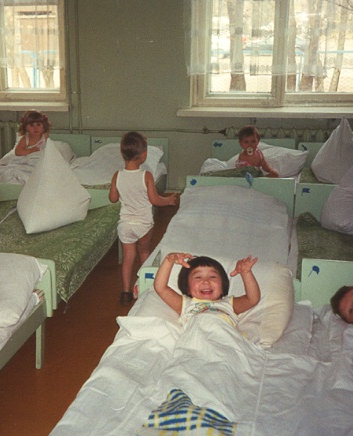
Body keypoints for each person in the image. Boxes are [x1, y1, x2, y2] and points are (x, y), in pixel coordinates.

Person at [109, 131, 178, 306]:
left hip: (125, 225)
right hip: (143, 224)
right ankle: (143, 289)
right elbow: (155, 200)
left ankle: (125, 292)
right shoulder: (146, 176)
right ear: (144, 155)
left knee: (127, 258)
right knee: (144, 252)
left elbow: (113, 198)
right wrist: (169, 200)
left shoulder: (117, 175)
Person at [153, 253, 261, 328]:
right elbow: (161, 288)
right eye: (198, 277)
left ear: (223, 286)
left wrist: (246, 273)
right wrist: (169, 261)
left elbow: (252, 299)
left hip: (225, 337)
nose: (206, 282)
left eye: (213, 277)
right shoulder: (186, 303)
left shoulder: (228, 304)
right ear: (187, 288)